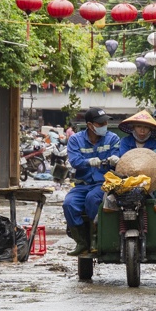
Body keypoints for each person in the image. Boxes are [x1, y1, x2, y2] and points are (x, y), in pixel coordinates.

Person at [62, 107, 122, 256]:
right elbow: (75, 161)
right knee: (68, 204)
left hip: (103, 183)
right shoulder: (75, 140)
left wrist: (116, 160)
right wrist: (88, 162)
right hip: (82, 184)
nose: (104, 126)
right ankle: (81, 242)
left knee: (92, 199)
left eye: (105, 123)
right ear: (90, 125)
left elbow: (117, 156)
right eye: (100, 123)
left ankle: (96, 237)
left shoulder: (113, 138)